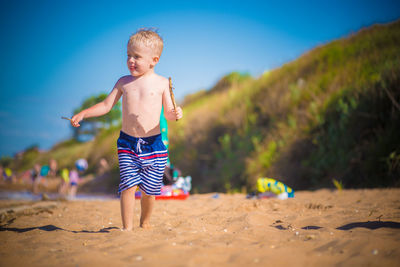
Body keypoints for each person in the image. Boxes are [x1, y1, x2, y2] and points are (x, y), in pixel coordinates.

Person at [70, 28, 183, 231]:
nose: (131, 60)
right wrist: (84, 113)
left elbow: (168, 113)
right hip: (127, 143)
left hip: (154, 145)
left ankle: (145, 221)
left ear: (154, 60)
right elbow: (106, 105)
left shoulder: (162, 83)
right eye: (128, 55)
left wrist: (175, 114)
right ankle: (127, 228)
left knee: (150, 191)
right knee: (128, 186)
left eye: (136, 57)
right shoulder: (124, 82)